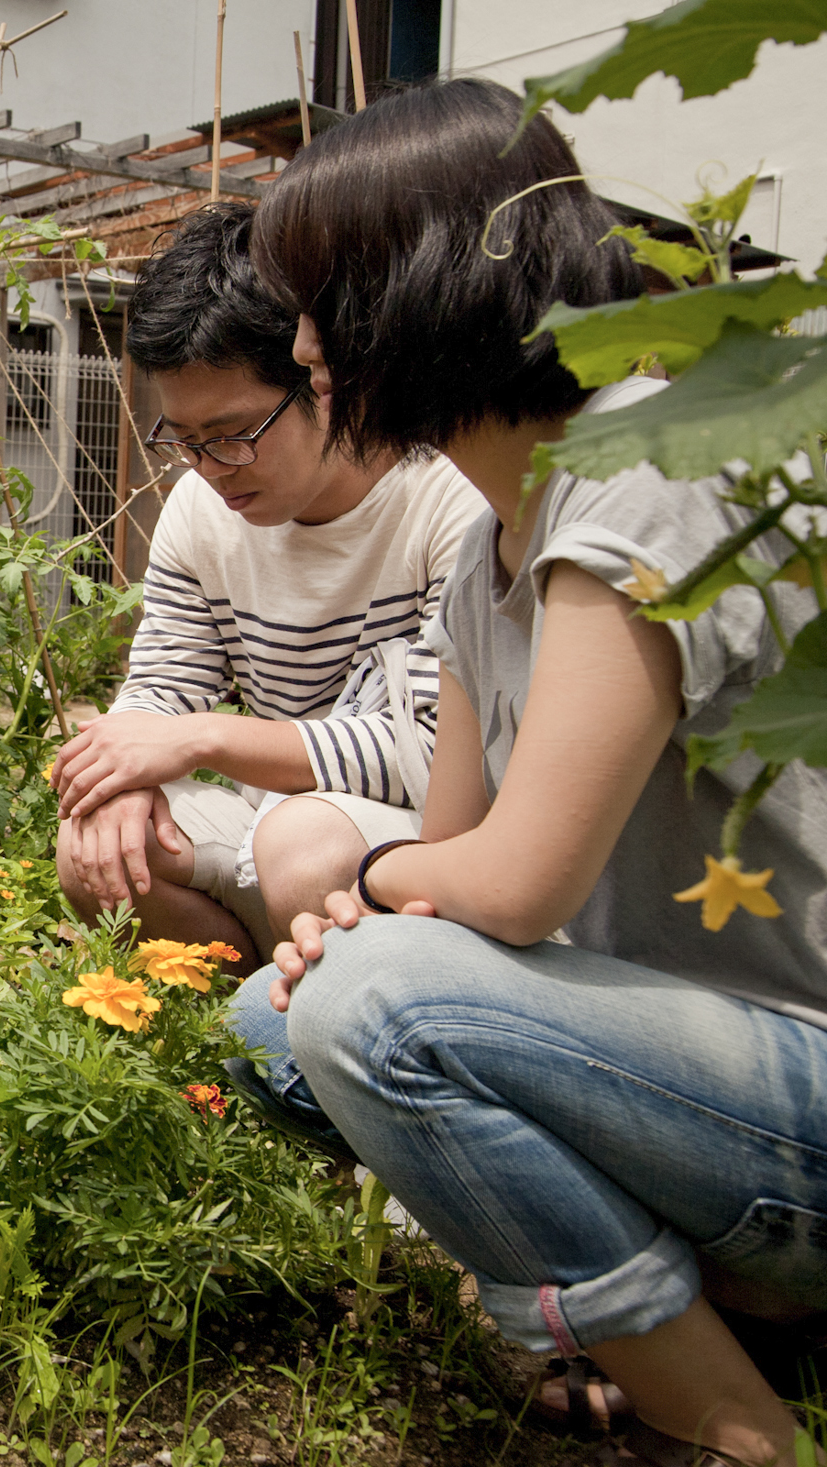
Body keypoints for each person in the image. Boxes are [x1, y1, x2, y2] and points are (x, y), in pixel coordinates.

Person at [229, 79, 825, 1467]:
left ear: (420, 287)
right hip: (689, 1090)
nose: (305, 341)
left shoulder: (641, 473)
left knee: (369, 997)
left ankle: (733, 1425)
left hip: (791, 1079)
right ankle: (696, 1327)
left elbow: (511, 876)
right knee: (281, 1018)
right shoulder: (475, 552)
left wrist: (363, 887)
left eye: (323, 297)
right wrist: (379, 912)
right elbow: (460, 876)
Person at [51, 203, 480, 967]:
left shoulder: (445, 497)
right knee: (99, 844)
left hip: (401, 844)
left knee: (302, 849)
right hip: (272, 827)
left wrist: (205, 736)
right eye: (184, 440)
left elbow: (431, 753)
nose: (210, 469)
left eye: (234, 434)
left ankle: (316, 1022)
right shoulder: (199, 510)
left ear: (324, 381)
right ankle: (253, 1006)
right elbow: (161, 685)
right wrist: (120, 776)